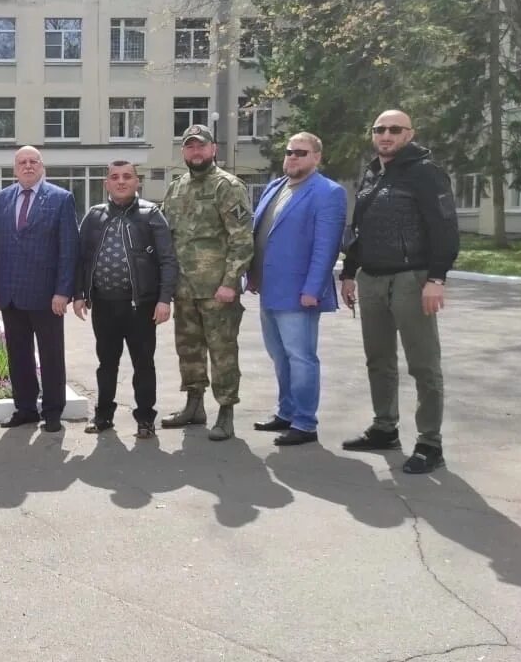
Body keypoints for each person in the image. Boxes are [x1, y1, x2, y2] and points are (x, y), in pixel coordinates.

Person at [339, 110, 459, 473]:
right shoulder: (373, 172)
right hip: (371, 279)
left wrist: (436, 279)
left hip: (412, 279)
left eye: (394, 129)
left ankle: (429, 443)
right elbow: (360, 229)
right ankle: (384, 427)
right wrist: (348, 272)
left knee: (423, 364)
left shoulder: (426, 172)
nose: (386, 135)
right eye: (379, 129)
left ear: (410, 133)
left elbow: (445, 229)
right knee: (379, 359)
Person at [247, 133, 346, 446]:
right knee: (279, 356)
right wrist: (251, 275)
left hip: (299, 292)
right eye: (289, 152)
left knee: (301, 358)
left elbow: (326, 247)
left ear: (317, 157)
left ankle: (305, 423)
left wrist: (313, 288)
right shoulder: (276, 187)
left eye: (301, 153)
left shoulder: (328, 192)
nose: (293, 157)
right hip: (268, 288)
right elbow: (259, 232)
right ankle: (286, 412)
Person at [160, 125, 254, 441]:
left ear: (213, 149)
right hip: (183, 289)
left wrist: (230, 281)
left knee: (222, 351)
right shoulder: (176, 188)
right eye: (190, 147)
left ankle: (225, 412)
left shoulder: (228, 187)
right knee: (188, 350)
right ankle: (194, 405)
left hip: (217, 290)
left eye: (201, 147)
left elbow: (241, 239)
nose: (195, 152)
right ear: (183, 152)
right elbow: (166, 238)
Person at [72, 160, 178, 439]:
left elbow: (167, 259)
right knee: (106, 363)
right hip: (104, 305)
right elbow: (81, 259)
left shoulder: (151, 214)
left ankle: (145, 419)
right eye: (115, 177)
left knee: (143, 364)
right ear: (106, 183)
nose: (121, 181)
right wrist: (79, 294)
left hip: (141, 307)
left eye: (127, 177)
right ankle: (103, 415)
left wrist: (164, 299)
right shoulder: (94, 216)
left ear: (137, 182)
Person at [0, 146, 80, 434]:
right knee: (19, 354)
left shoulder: (61, 199)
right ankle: (25, 408)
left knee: (51, 355)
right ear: (15, 169)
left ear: (42, 166)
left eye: (33, 161)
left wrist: (64, 291)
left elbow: (68, 249)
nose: (27, 166)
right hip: (10, 293)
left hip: (47, 296)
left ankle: (52, 411)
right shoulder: (0, 200)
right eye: (22, 162)